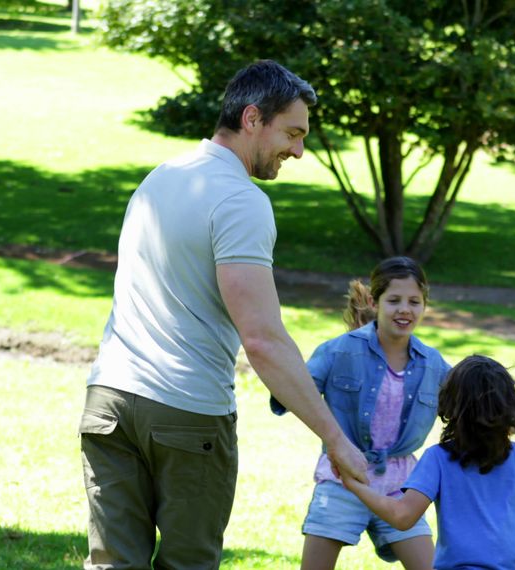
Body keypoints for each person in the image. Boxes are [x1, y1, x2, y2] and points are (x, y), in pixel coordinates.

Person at [77, 60, 368, 570]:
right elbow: (263, 340)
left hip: (109, 403)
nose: (299, 150)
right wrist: (336, 439)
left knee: (111, 565)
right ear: (252, 118)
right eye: (293, 133)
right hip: (186, 413)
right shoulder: (241, 201)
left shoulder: (161, 177)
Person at [341, 355, 515, 570]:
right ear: (509, 408)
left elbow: (402, 517)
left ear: (449, 406)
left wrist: (355, 485)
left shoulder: (438, 458)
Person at [272, 256, 450, 570]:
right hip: (341, 477)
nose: (404, 310)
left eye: (414, 302)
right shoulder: (338, 350)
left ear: (425, 305)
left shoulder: (432, 363)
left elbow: (473, 405)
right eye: (393, 300)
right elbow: (293, 390)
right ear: (374, 300)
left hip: (400, 485)